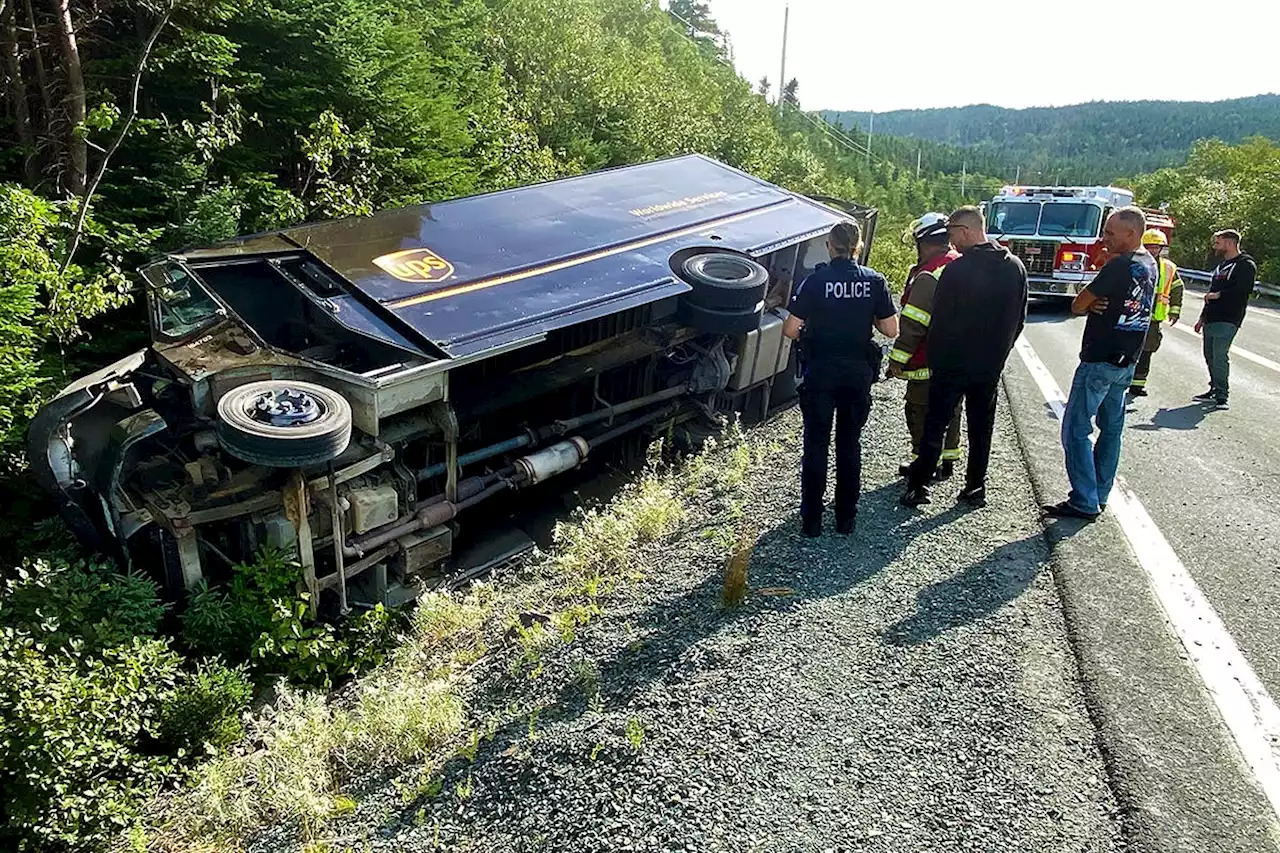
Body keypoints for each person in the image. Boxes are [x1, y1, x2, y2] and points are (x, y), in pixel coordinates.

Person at [900, 206, 1027, 509]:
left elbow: (939, 323)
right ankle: (975, 487)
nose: (951, 239)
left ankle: (918, 487)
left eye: (953, 232)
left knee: (936, 425)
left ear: (967, 231)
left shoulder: (957, 270)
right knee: (982, 428)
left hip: (952, 366)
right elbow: (1020, 319)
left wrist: (938, 360)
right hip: (989, 368)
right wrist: (1000, 355)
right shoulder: (1015, 267)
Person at [784, 221, 898, 537]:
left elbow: (791, 329)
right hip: (856, 374)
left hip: (820, 372)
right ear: (858, 247)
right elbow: (891, 329)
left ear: (830, 247)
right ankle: (846, 518)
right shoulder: (874, 281)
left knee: (816, 444)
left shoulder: (815, 281)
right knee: (849, 445)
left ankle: (811, 521)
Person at [1043, 207, 1156, 521]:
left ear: (1131, 234)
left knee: (1076, 430)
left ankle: (1084, 499)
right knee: (1110, 430)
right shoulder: (1150, 263)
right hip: (1127, 360)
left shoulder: (1119, 266)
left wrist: (1093, 302)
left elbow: (1078, 304)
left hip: (1100, 359)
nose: (1104, 238)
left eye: (1110, 233)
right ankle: (1100, 493)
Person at [887, 213, 963, 480]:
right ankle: (947, 462)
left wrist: (897, 360)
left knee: (918, 409)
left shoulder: (929, 275)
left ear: (925, 243)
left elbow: (914, 324)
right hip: (958, 359)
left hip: (928, 361)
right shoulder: (959, 264)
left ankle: (923, 463)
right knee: (951, 410)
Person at [1192, 229, 1256, 411]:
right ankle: (1214, 387)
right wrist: (1202, 318)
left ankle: (1222, 396)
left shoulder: (1245, 264)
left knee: (1220, 355)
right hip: (1211, 317)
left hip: (1229, 317)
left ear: (1229, 243)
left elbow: (1244, 289)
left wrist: (1218, 295)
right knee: (1209, 355)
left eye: (1218, 243)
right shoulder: (1221, 265)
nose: (1216, 247)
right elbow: (1210, 293)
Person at [1127, 229, 1184, 397]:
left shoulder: (1168, 267)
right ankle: (1122, 379)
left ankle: (1138, 384)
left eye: (1156, 247)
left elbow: (1177, 288)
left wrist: (1175, 310)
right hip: (1132, 315)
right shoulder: (1133, 262)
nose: (1153, 250)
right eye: (1150, 246)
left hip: (1153, 319)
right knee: (1128, 348)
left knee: (1147, 350)